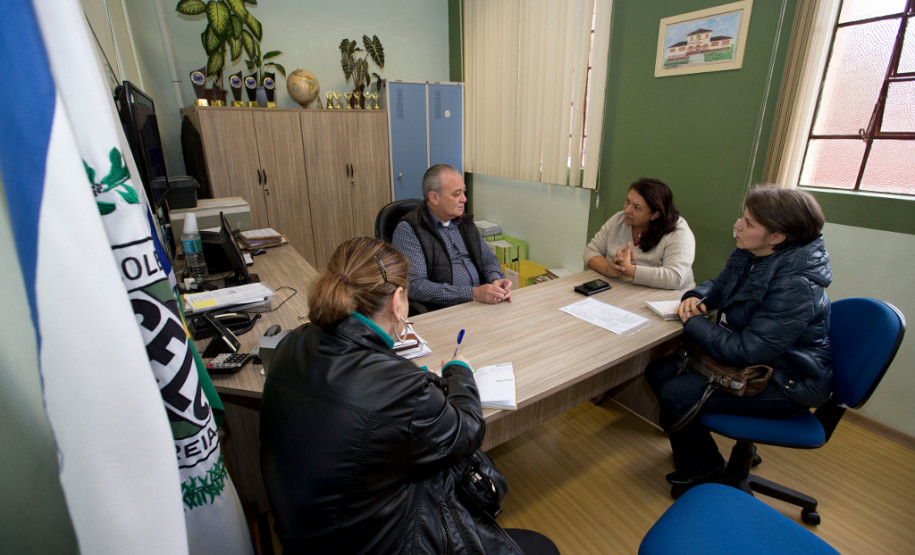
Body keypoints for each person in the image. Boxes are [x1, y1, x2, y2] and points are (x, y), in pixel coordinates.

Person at [259, 236, 558, 554]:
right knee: (542, 548)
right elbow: (467, 432)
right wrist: (459, 373)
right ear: (397, 299)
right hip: (375, 543)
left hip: (307, 535)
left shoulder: (292, 342)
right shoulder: (397, 386)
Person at [645, 186, 832, 497]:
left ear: (777, 237)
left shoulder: (796, 285)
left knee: (676, 394)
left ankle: (705, 473)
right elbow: (718, 285)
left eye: (749, 223)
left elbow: (747, 351)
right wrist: (697, 297)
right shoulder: (751, 254)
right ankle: (698, 449)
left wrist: (692, 321)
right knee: (658, 371)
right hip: (755, 361)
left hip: (785, 381)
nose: (737, 225)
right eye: (742, 218)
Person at [392, 163, 512, 310]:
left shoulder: (465, 222)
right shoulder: (409, 229)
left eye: (464, 192)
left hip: (480, 304)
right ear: (434, 197)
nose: (464, 199)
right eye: (456, 194)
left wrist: (496, 280)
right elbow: (417, 286)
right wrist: (472, 293)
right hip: (445, 310)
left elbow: (488, 258)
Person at [583, 178, 695, 290]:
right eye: (628, 202)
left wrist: (629, 269)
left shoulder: (678, 232)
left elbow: (675, 278)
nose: (627, 210)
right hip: (623, 290)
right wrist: (607, 268)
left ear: (655, 215)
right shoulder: (619, 220)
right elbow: (591, 251)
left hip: (668, 299)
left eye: (636, 207)